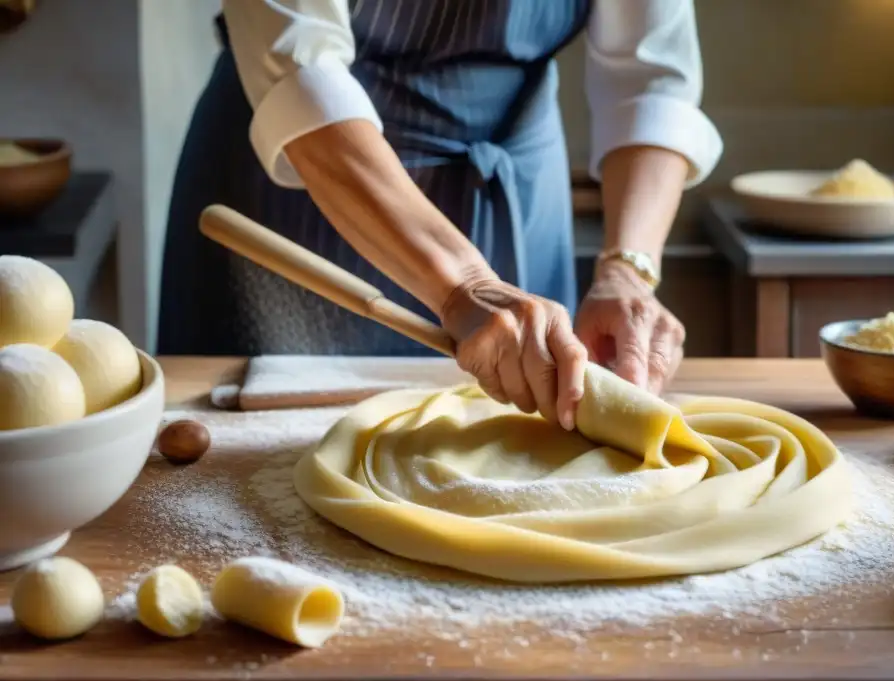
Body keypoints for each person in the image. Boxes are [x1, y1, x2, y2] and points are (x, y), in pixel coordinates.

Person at [158, 0, 722, 431]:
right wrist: (466, 284)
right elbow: (298, 66)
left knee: (521, 455)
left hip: (516, 182)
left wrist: (627, 269)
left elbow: (651, 79)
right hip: (306, 176)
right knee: (263, 463)